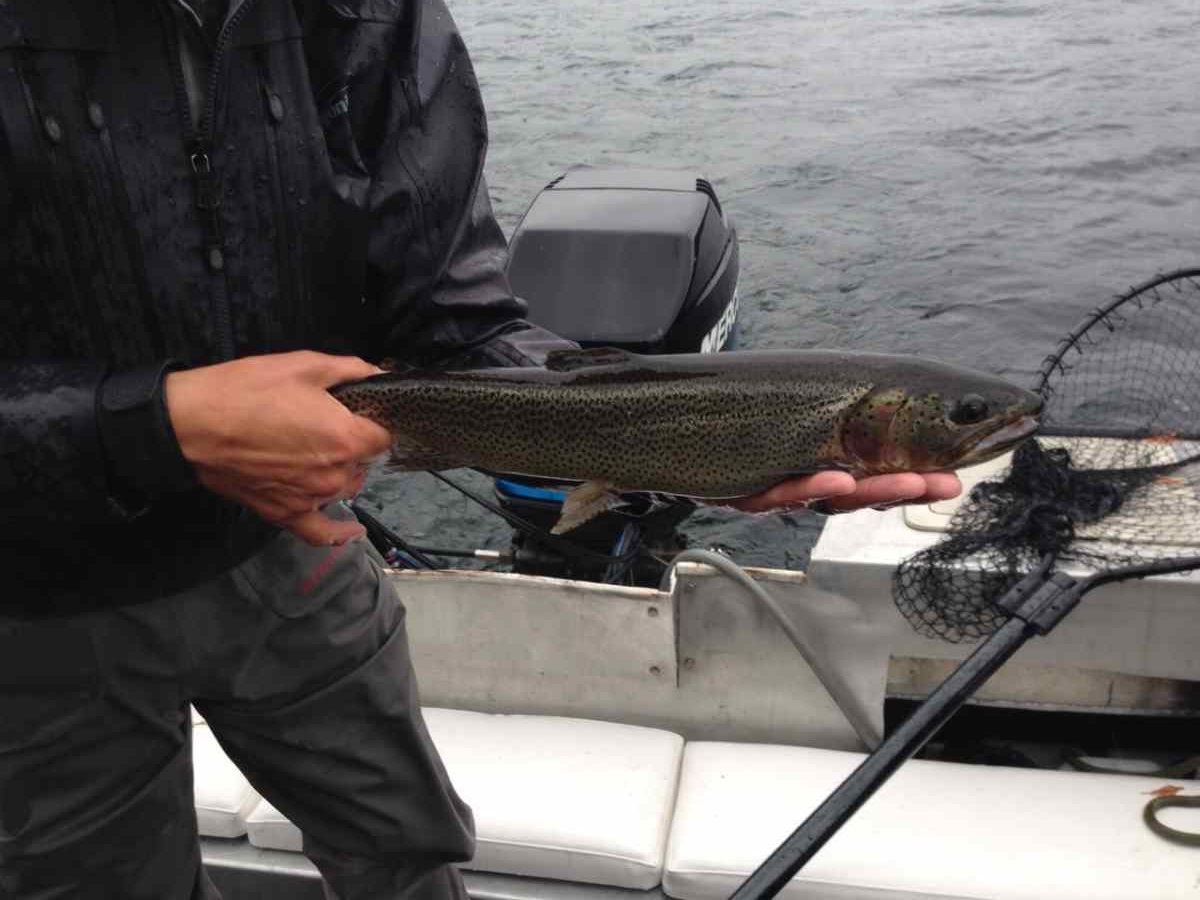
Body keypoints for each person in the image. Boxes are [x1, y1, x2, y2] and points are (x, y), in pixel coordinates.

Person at [0, 1, 960, 898]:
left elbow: (453, 322)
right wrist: (151, 423)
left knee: (406, 843)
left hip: (299, 557)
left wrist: (684, 442)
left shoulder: (368, 11)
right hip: (36, 593)